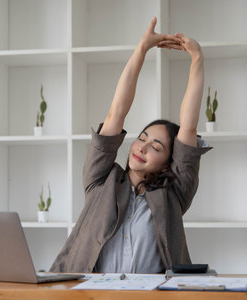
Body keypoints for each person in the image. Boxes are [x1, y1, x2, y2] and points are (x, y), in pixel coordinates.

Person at [50, 17, 211, 274]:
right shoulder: (101, 180)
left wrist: (197, 57)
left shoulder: (175, 193)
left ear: (170, 162)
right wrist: (142, 48)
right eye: (142, 138)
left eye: (156, 147)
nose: (143, 147)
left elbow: (188, 126)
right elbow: (116, 114)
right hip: (87, 292)